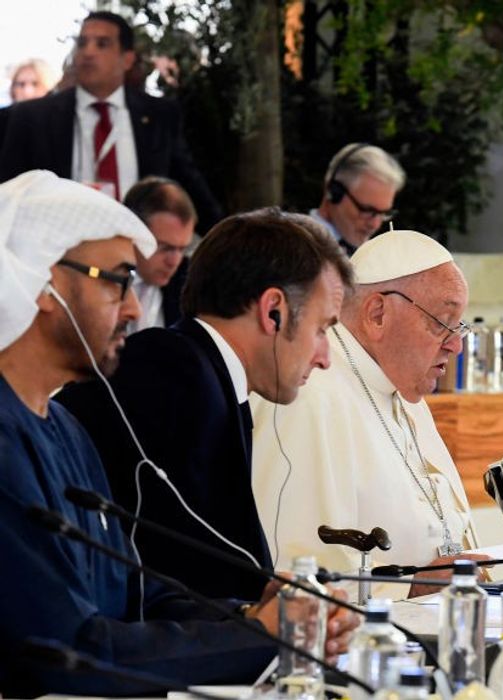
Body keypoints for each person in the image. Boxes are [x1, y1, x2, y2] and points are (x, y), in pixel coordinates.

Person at [0, 171, 355, 696]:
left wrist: (258, 618)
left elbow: (136, 593)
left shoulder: (65, 430)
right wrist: (260, 637)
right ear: (44, 283)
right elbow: (69, 650)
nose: (135, 308)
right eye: (117, 279)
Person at [56, 208, 352, 601]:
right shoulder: (169, 370)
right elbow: (161, 573)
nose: (325, 357)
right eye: (321, 329)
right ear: (273, 311)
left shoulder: (201, 371)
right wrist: (255, 618)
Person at [251, 230, 479, 598]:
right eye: (442, 322)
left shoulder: (402, 388)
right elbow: (292, 568)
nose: (455, 344)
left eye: (460, 325)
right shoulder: (308, 394)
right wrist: (409, 588)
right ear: (377, 314)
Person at [0, 11, 222, 229]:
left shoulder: (159, 115)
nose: (88, 52)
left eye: (102, 44)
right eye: (82, 43)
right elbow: (10, 192)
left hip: (136, 250)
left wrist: (224, 238)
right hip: (57, 251)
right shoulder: (33, 117)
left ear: (127, 59)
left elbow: (188, 184)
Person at [123, 176, 196, 332]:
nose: (174, 261)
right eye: (165, 248)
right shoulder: (102, 280)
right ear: (132, 233)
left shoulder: (191, 284)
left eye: (182, 249)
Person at [310, 142, 405, 255]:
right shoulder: (290, 245)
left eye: (384, 213)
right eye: (367, 210)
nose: (375, 224)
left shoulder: (374, 259)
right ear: (334, 192)